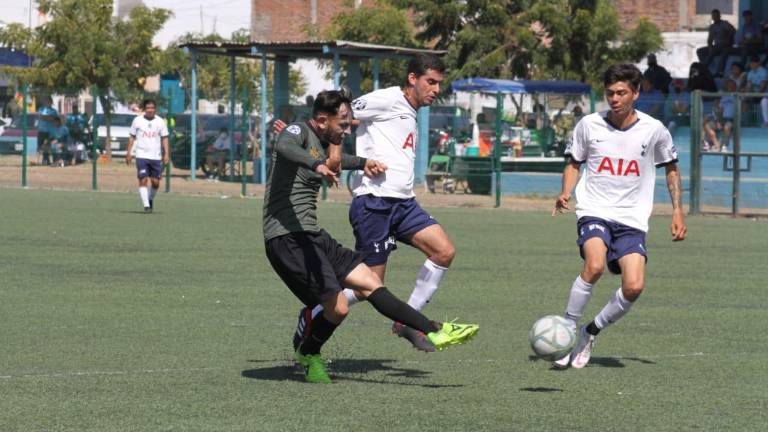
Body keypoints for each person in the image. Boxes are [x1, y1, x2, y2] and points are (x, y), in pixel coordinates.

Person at [263, 89, 479, 383]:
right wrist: (318, 165)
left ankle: (434, 330)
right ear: (322, 119)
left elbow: (338, 158)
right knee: (338, 308)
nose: (347, 128)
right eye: (342, 122)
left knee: (370, 283)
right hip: (286, 239)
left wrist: (363, 162)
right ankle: (309, 353)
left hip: (313, 235)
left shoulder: (325, 141)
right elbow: (285, 145)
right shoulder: (298, 130)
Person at [288, 54, 460, 353]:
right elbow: (340, 117)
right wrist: (336, 155)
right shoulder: (387, 99)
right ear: (412, 79)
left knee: (443, 251)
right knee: (369, 286)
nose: (435, 89)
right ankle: (314, 313)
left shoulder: (409, 109)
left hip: (404, 203)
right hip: (374, 203)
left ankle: (408, 321)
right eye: (430, 82)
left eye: (438, 84)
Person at [552, 63, 687, 369]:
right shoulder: (589, 125)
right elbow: (574, 162)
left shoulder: (654, 130)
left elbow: (672, 168)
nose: (614, 98)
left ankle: (590, 330)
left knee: (634, 286)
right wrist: (566, 192)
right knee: (595, 265)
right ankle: (567, 331)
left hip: (632, 219)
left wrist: (678, 210)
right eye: (610, 92)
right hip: (594, 210)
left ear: (635, 94)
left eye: (621, 92)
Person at [125, 99, 169, 213]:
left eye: (152, 108)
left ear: (155, 109)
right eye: (148, 108)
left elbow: (165, 138)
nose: (150, 110)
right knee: (143, 179)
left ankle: (149, 199)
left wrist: (166, 154)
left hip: (156, 156)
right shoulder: (137, 120)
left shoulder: (160, 121)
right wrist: (128, 153)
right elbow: (132, 137)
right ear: (144, 109)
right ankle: (146, 206)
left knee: (156, 183)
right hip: (141, 155)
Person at [697, 9, 736, 78]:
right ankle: (704, 68)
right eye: (713, 16)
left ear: (719, 16)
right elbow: (710, 39)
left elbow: (733, 30)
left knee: (722, 53)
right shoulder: (712, 27)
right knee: (700, 51)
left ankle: (719, 72)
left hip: (725, 46)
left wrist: (728, 39)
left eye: (716, 15)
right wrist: (710, 46)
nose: (714, 17)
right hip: (716, 46)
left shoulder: (724, 23)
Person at [703, 79, 738, 152]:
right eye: (728, 85)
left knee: (727, 126)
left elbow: (743, 108)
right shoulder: (723, 96)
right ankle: (715, 144)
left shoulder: (737, 96)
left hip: (731, 119)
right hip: (722, 119)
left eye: (731, 85)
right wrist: (718, 121)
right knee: (707, 124)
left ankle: (724, 146)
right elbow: (720, 110)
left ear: (735, 86)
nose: (730, 86)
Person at [745, 56, 768, 127]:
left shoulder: (763, 71)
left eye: (754, 63)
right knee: (742, 99)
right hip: (754, 94)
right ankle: (744, 122)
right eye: (751, 63)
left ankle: (766, 122)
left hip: (763, 94)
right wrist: (748, 95)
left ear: (758, 63)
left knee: (763, 100)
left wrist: (754, 95)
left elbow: (762, 88)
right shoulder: (750, 73)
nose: (752, 64)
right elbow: (748, 86)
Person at [36, 97, 59, 166]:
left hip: (50, 131)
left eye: (49, 101)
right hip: (41, 130)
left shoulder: (54, 111)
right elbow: (40, 117)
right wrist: (48, 118)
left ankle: (48, 160)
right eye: (46, 101)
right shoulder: (41, 109)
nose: (47, 102)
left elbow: (54, 119)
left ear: (51, 102)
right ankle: (37, 162)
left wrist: (45, 117)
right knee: (39, 146)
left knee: (48, 146)